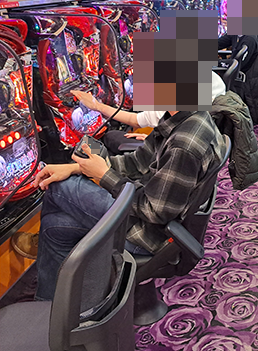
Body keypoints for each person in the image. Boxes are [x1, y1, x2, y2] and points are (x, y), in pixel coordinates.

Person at [29, 109, 226, 301]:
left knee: (60, 188)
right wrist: (76, 168)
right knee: (54, 226)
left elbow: (154, 212)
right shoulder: (186, 116)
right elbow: (136, 162)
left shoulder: (184, 144)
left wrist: (104, 175)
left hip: (151, 235)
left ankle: (70, 290)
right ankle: (52, 305)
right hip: (155, 214)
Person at [69, 72, 227, 153]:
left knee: (108, 137)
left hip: (159, 162)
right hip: (187, 143)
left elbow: (136, 120)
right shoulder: (211, 80)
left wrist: (97, 106)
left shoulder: (174, 109)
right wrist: (158, 138)